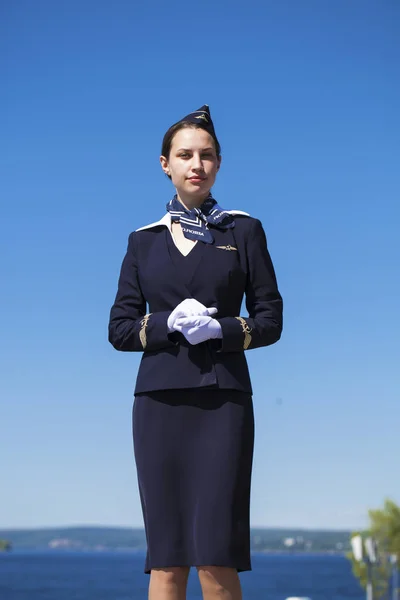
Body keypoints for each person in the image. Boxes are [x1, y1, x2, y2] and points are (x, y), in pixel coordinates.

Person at [108, 105, 283, 600]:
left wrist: (222, 330)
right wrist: (166, 324)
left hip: (223, 400)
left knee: (215, 556)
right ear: (165, 163)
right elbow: (119, 329)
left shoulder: (243, 231)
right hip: (159, 403)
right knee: (166, 560)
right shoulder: (142, 242)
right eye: (185, 155)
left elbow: (270, 320)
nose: (196, 165)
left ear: (219, 164)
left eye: (206, 156)